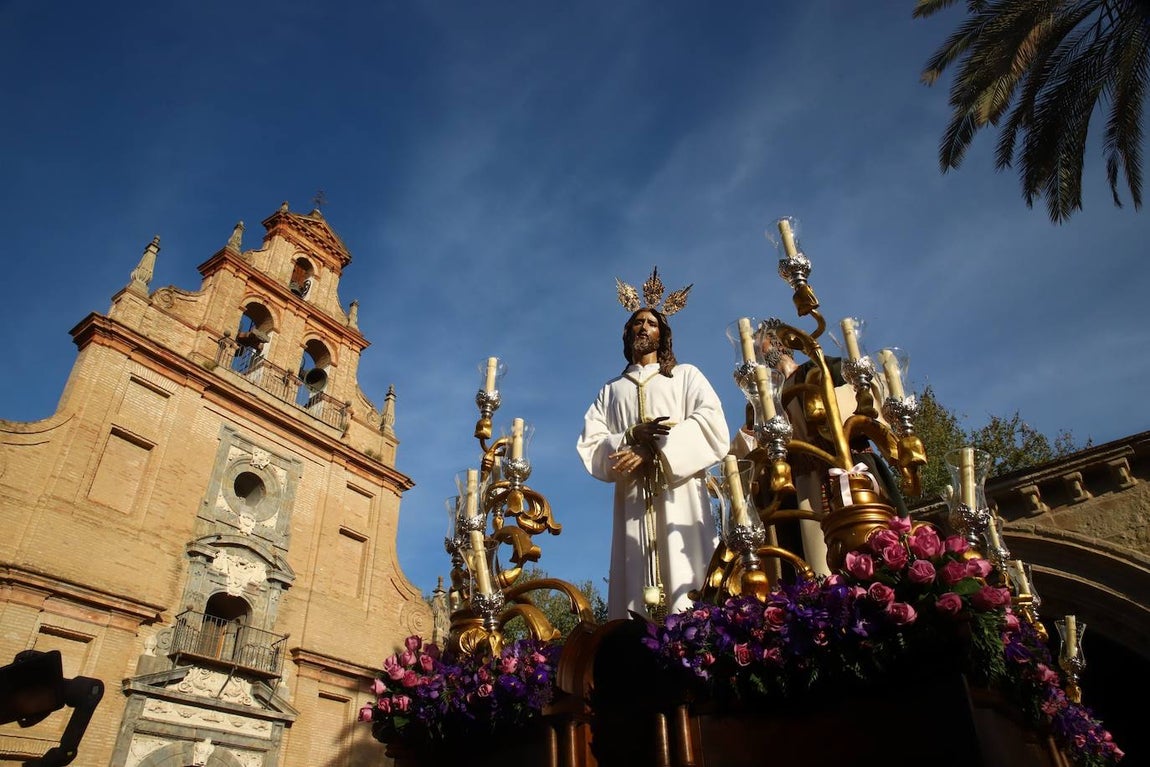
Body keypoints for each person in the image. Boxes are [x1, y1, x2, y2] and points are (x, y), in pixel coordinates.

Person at [577, 278, 729, 621]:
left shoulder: (686, 376)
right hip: (631, 500)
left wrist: (657, 449)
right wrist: (629, 436)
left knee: (686, 571)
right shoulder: (612, 390)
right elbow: (590, 442)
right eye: (637, 322)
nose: (643, 327)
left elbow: (712, 423)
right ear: (628, 333)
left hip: (681, 495)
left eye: (651, 322)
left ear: (663, 334)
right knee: (633, 582)